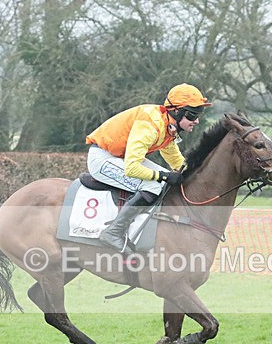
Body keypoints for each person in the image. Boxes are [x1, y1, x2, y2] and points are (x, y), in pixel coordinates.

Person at [85, 83, 212, 252]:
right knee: (153, 184)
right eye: (192, 115)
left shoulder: (168, 126)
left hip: (117, 158)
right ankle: (113, 232)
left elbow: (175, 159)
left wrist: (196, 174)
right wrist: (163, 176)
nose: (196, 120)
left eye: (198, 115)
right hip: (101, 159)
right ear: (176, 111)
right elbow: (132, 168)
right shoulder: (150, 125)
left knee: (164, 177)